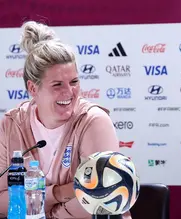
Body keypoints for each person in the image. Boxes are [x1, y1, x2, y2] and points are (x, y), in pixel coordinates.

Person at [0, 21, 132, 219]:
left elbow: (101, 199)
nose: (69, 92)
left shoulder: (94, 122)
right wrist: (59, 193)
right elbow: (1, 200)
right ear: (33, 89)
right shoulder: (12, 124)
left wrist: (40, 209)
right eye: (57, 84)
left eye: (74, 82)